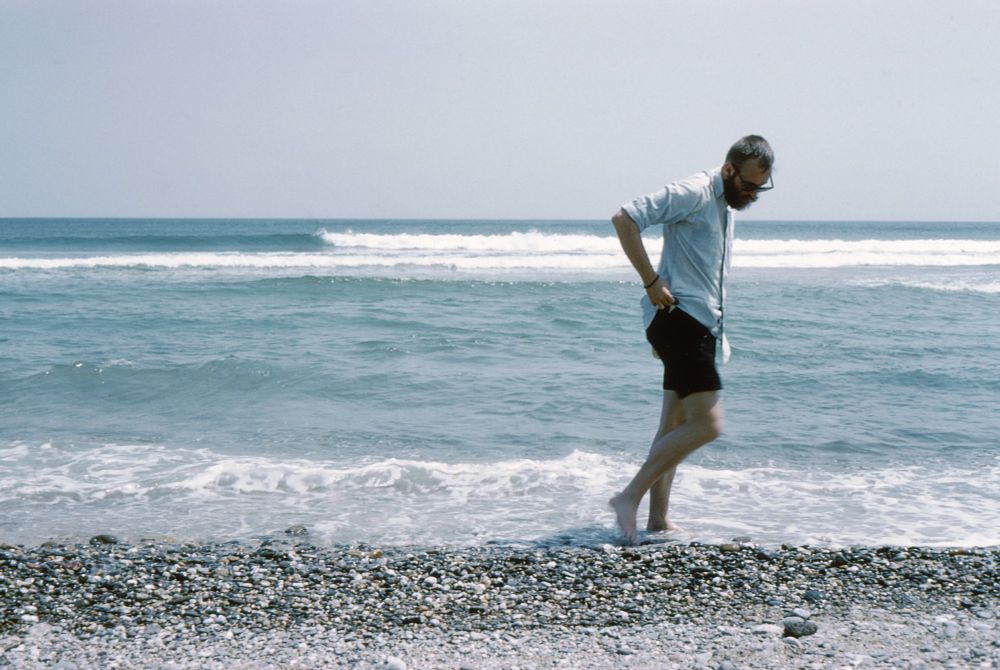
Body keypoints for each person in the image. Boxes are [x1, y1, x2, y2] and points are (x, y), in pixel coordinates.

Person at [608, 135, 775, 545]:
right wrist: (650, 283)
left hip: (698, 323)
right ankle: (628, 497)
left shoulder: (726, 203)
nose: (753, 194)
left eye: (761, 188)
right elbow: (625, 218)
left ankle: (658, 519)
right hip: (679, 319)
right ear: (729, 170)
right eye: (749, 185)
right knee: (708, 424)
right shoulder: (694, 191)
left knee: (674, 423)